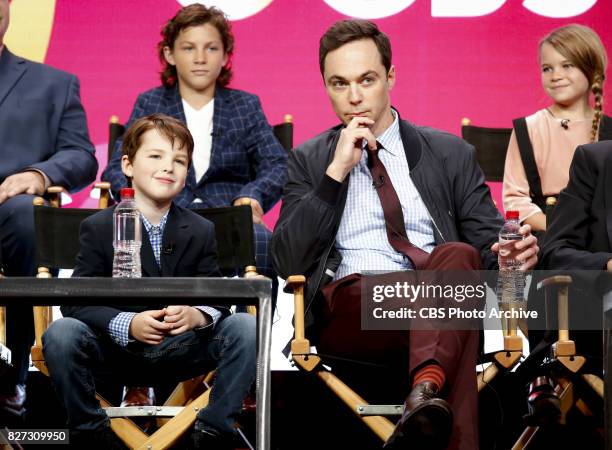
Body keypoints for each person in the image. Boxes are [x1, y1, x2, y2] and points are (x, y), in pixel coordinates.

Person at [270, 19, 538, 450]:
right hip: (355, 309)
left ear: (390, 78)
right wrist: (334, 173)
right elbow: (286, 262)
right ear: (325, 86)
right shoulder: (309, 160)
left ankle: (425, 392)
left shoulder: (450, 153)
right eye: (339, 83)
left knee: (457, 257)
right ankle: (429, 390)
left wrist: (515, 256)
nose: (354, 96)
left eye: (367, 80)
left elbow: (489, 253)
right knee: (458, 306)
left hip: (439, 302)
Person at [42, 114, 256, 450]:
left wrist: (196, 316)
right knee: (61, 332)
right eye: (156, 156)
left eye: (179, 160)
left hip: (179, 348)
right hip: (114, 350)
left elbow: (218, 299)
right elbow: (75, 302)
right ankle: (89, 430)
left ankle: (215, 429)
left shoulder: (201, 230)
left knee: (244, 326)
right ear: (127, 165)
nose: (168, 167)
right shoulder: (99, 226)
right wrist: (127, 324)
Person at [102, 4, 287, 281]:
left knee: (261, 241)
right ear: (170, 54)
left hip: (228, 215)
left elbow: (277, 163)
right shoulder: (150, 103)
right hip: (163, 211)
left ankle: (253, 325)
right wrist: (142, 201)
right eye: (189, 48)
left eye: (211, 48)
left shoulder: (245, 106)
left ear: (225, 56)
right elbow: (117, 166)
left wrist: (252, 196)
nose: (200, 58)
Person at [0, 0, 98, 420]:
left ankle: (14, 371)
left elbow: (81, 155)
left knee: (28, 216)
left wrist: (39, 175)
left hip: (12, 210)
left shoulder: (53, 83)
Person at [503, 24, 610, 236]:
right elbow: (515, 199)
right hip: (549, 234)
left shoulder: (608, 130)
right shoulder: (529, 128)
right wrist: (559, 229)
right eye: (547, 68)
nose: (555, 75)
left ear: (593, 70)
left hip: (603, 236)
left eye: (567, 65)